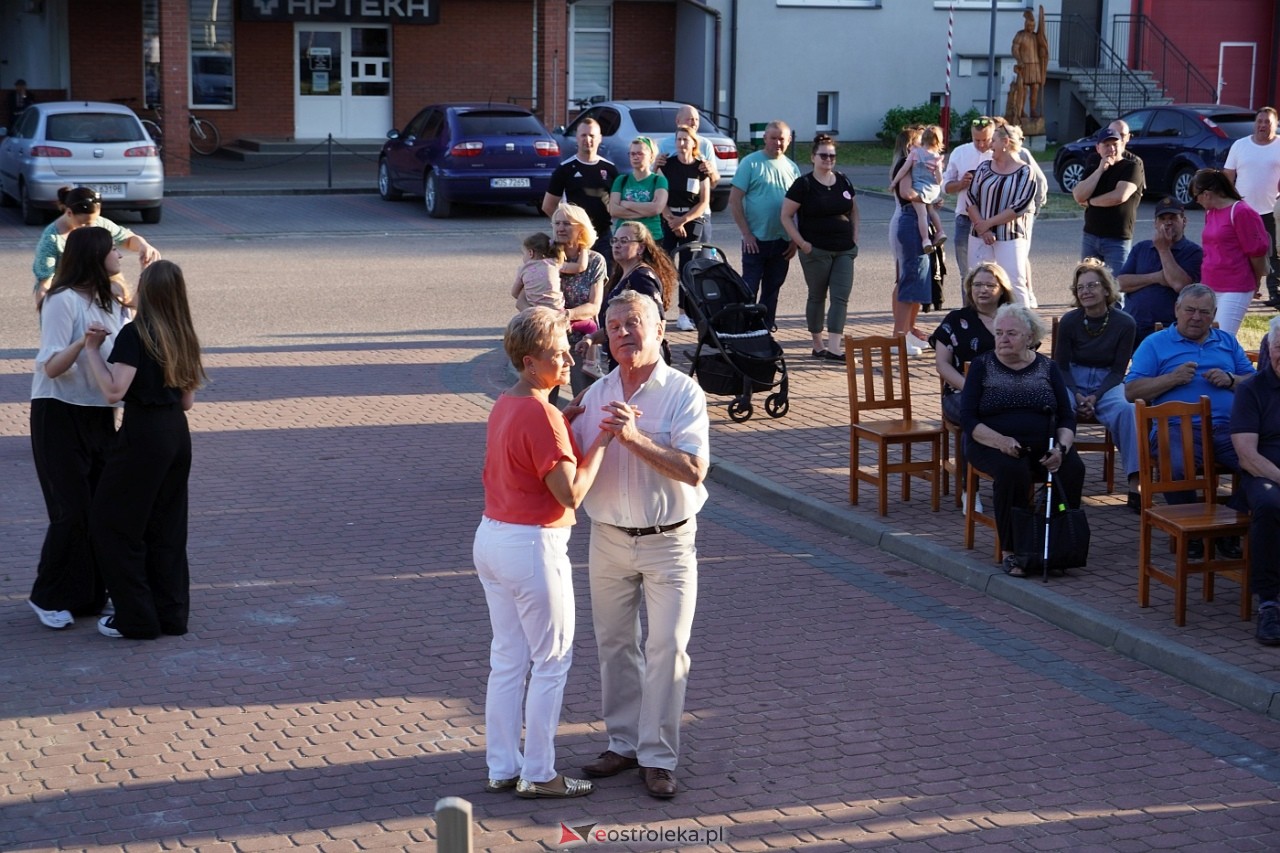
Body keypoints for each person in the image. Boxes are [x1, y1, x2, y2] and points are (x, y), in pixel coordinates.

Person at [570, 289, 710, 799]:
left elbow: (695, 470)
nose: (623, 333)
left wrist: (635, 440)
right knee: (614, 646)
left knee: (668, 647)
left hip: (668, 542)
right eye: (614, 326)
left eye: (634, 323)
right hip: (606, 538)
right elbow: (570, 457)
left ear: (659, 332)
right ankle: (623, 744)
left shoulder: (682, 393)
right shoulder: (593, 393)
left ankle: (658, 756)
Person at [467, 307, 610, 799]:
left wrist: (564, 423)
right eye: (559, 353)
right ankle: (541, 772)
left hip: (493, 537)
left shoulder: (508, 403)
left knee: (507, 659)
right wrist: (602, 443)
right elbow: (570, 493)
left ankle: (502, 765)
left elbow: (528, 451)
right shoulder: (543, 414)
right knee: (552, 660)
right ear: (531, 362)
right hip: (532, 544)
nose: (570, 358)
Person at [81, 260, 205, 641]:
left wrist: (91, 350)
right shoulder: (184, 334)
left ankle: (136, 617)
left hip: (144, 434)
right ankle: (171, 615)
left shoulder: (137, 334)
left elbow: (114, 391)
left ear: (147, 292)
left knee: (112, 523)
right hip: (176, 434)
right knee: (166, 525)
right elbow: (187, 401)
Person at [26, 227, 129, 631]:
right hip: (58, 412)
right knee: (71, 511)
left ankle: (88, 595)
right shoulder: (61, 301)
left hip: (99, 416)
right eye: (112, 250)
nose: (119, 255)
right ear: (93, 256)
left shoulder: (110, 300)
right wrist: (82, 344)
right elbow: (50, 366)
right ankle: (46, 596)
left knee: (100, 509)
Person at [960, 303, 1084, 577]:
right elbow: (967, 419)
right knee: (1012, 472)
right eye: (999, 333)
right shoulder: (983, 366)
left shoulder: (1047, 368)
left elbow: (1066, 416)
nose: (1003, 339)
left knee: (1073, 468)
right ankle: (1012, 550)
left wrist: (1061, 448)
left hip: (1044, 444)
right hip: (991, 443)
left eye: (1011, 333)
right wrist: (1001, 441)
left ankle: (1057, 542)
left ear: (1030, 337)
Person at [1125, 285, 1254, 546]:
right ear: (1177, 310)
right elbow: (1131, 391)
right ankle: (1191, 534)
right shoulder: (1155, 344)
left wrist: (1231, 380)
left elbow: (1255, 383)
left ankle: (1229, 528)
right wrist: (1172, 379)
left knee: (1262, 465)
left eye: (1204, 312)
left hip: (1228, 427)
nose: (1196, 317)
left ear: (1214, 313)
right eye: (1190, 310)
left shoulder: (1226, 341)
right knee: (1175, 465)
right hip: (1176, 426)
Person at [1053, 259, 1141, 510]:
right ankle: (1057, 475)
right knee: (1056, 407)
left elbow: (1118, 370)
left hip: (1107, 381)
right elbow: (1061, 366)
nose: (1086, 292)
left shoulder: (1125, 323)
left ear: (1106, 289)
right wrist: (1078, 395)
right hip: (1073, 379)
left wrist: (1095, 397)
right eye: (1080, 288)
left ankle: (1135, 483)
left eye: (1092, 285)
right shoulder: (1070, 321)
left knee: (1128, 411)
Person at [930, 260, 1015, 496]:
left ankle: (1017, 479)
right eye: (977, 285)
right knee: (974, 416)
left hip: (1005, 392)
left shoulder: (1014, 318)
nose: (982, 290)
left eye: (989, 285)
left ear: (1002, 289)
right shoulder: (955, 320)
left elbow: (1027, 358)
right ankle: (970, 489)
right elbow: (942, 364)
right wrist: (972, 389)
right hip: (960, 393)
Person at [780, 133, 860, 362]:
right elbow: (786, 216)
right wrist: (803, 244)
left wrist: (854, 237)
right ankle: (818, 344)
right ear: (813, 157)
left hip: (844, 248)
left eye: (832, 156)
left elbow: (854, 209)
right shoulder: (803, 184)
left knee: (841, 296)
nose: (828, 159)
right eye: (823, 155)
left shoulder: (843, 180)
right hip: (816, 251)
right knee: (817, 296)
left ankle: (835, 347)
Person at [1229, 315, 1280, 645]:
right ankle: (1270, 604)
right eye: (1279, 347)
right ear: (1269, 348)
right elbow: (1247, 455)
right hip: (1262, 475)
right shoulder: (1252, 389)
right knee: (1271, 505)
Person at [32, 186, 161, 310]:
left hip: (104, 289)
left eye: (94, 221)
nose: (91, 227)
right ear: (69, 212)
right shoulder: (52, 240)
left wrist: (143, 245)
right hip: (72, 297)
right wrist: (47, 312)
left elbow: (127, 239)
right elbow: (44, 285)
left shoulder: (99, 223)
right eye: (85, 223)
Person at [579, 221, 678, 372]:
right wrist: (591, 338)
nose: (617, 245)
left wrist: (646, 359)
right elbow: (615, 326)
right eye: (615, 240)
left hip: (639, 362)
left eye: (624, 241)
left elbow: (658, 321)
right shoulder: (623, 275)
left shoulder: (642, 277)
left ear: (641, 247)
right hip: (623, 358)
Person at [729, 120, 801, 330]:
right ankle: (745, 329)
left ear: (788, 141)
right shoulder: (750, 163)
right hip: (755, 240)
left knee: (772, 289)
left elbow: (798, 208)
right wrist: (746, 234)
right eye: (773, 138)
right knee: (749, 289)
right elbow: (734, 200)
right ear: (765, 139)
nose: (777, 143)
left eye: (782, 139)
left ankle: (765, 328)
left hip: (782, 241)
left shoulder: (792, 167)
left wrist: (795, 240)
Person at [1190, 168, 1271, 336]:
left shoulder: (1241, 212)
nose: (1196, 202)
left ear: (1207, 193)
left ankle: (1229, 363)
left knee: (1223, 337)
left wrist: (1255, 282)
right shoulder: (1210, 212)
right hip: (1210, 283)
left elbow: (1256, 253)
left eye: (1195, 196)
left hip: (1235, 286)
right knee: (1205, 336)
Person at [967, 122, 1037, 306]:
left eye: (994, 142)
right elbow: (970, 199)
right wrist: (982, 228)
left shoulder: (1025, 171)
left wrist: (988, 223)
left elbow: (1019, 206)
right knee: (978, 282)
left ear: (1006, 142)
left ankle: (1024, 327)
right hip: (979, 236)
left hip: (1010, 236)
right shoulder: (984, 167)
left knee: (1015, 282)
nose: (990, 146)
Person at [1117, 197, 1203, 345]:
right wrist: (1156, 277)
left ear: (1184, 221)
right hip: (1132, 323)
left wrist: (1163, 249)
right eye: (1162, 218)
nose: (1167, 223)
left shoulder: (1193, 252)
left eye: (1173, 218)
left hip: (1166, 328)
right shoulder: (1142, 248)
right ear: (1156, 224)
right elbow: (1120, 283)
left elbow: (1180, 285)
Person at [1223, 107, 1280, 307]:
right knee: (1242, 251)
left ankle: (1275, 294)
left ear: (1275, 125)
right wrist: (1228, 201)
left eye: (1268, 122)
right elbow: (1228, 175)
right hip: (1243, 210)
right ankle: (1246, 289)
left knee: (1273, 253)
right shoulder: (1240, 145)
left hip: (1272, 210)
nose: (1263, 125)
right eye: (1260, 121)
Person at [657, 124, 711, 331]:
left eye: (685, 140)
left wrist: (683, 220)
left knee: (688, 268)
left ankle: (684, 314)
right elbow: (660, 195)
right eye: (678, 139)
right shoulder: (667, 165)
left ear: (693, 143)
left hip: (692, 220)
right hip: (669, 217)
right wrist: (672, 219)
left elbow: (704, 201)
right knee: (665, 266)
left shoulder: (700, 167)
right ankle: (661, 309)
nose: (681, 144)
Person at [1072, 122, 1146, 273]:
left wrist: (1091, 202)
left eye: (1115, 144)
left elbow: (1119, 196)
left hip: (1117, 239)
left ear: (1122, 145)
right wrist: (1100, 171)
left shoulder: (1132, 167)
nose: (1111, 148)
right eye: (1106, 145)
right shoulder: (1094, 167)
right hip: (1090, 236)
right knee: (1089, 283)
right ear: (1098, 148)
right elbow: (1078, 195)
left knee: (1116, 288)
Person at [551, 204, 609, 397]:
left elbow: (594, 305)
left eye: (567, 224)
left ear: (581, 229)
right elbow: (522, 298)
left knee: (585, 400)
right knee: (544, 401)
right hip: (548, 341)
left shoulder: (595, 261)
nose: (560, 228)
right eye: (557, 223)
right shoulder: (546, 257)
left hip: (581, 343)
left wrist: (566, 316)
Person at [543, 118, 618, 260]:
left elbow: (617, 203)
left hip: (603, 236)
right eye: (583, 135)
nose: (587, 139)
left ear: (599, 138)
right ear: (576, 138)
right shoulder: (564, 169)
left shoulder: (610, 169)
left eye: (592, 136)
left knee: (605, 279)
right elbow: (548, 206)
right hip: (574, 240)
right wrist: (565, 226)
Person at [888, 125, 929, 355]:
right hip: (907, 220)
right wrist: (927, 197)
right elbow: (906, 192)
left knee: (914, 279)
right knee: (907, 279)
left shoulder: (912, 162)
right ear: (910, 145)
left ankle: (908, 331)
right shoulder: (908, 162)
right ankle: (899, 336)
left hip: (912, 219)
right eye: (922, 142)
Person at [942, 116, 996, 285]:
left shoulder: (999, 153)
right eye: (976, 140)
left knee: (992, 272)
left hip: (991, 220)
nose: (981, 145)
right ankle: (969, 310)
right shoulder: (960, 152)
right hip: (964, 218)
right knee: (967, 274)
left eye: (985, 140)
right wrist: (960, 184)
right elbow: (945, 186)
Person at [890, 124, 947, 254]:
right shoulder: (934, 157)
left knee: (923, 214)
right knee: (930, 212)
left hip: (920, 192)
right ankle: (940, 232)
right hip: (929, 191)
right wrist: (932, 197)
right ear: (910, 145)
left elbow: (908, 191)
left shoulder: (914, 157)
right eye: (919, 142)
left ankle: (926, 239)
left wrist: (893, 183)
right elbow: (907, 193)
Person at [608, 136, 668, 243]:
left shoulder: (659, 180)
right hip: (624, 238)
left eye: (640, 154)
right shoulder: (621, 180)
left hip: (651, 237)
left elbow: (656, 209)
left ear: (651, 156)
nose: (635, 157)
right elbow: (613, 210)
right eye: (632, 154)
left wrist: (627, 204)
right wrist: (646, 211)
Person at [1007, 8, 1048, 122]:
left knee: (1035, 87)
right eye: (1029, 25)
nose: (1031, 28)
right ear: (1026, 25)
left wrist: (1043, 52)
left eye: (1033, 26)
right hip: (1025, 65)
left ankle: (1033, 109)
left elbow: (1042, 47)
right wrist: (1019, 60)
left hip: (1035, 65)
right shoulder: (1020, 35)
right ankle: (1021, 110)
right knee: (1023, 88)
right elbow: (1015, 49)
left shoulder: (1036, 37)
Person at [511, 233, 567, 312]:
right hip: (556, 310)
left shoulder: (524, 269)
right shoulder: (555, 263)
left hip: (535, 309)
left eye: (524, 254)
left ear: (531, 253)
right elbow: (579, 267)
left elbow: (514, 293)